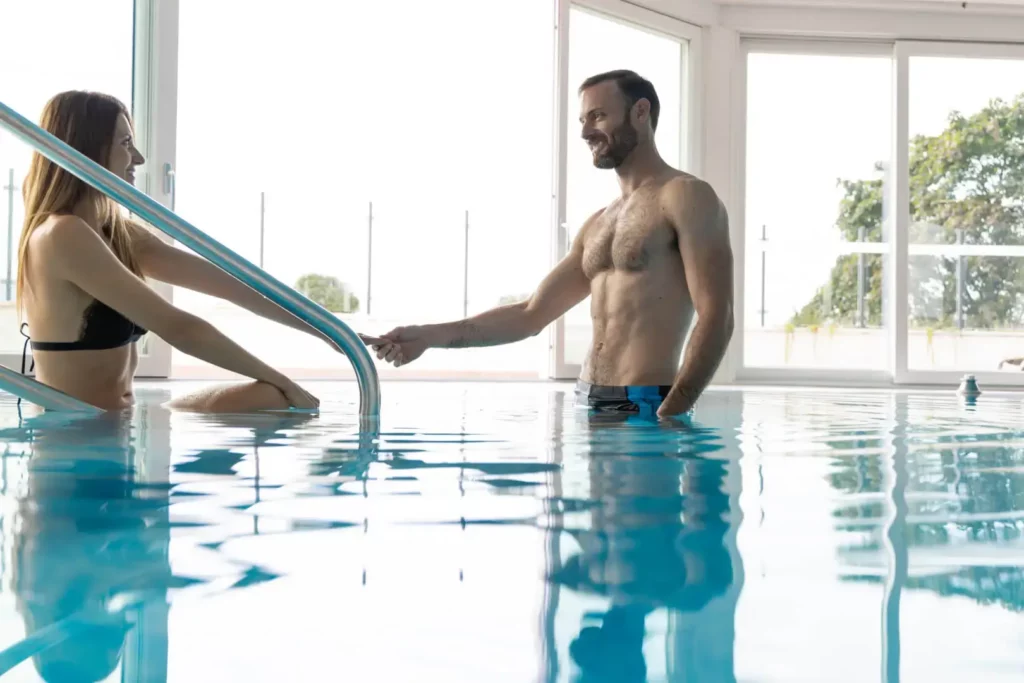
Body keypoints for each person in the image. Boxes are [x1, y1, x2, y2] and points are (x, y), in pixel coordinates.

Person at [367, 70, 734, 418]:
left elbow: (717, 315)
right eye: (582, 121)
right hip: (589, 402)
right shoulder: (598, 223)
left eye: (598, 116)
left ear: (640, 112)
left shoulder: (686, 196)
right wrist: (429, 336)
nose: (585, 132)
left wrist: (673, 409)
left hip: (648, 406)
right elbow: (530, 315)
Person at [18, 90, 329, 412]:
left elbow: (240, 290)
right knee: (274, 394)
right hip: (72, 440)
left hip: (122, 425)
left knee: (267, 396)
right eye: (125, 144)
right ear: (87, 149)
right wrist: (284, 382)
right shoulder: (61, 234)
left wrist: (334, 334)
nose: (138, 158)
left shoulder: (118, 234)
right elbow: (179, 328)